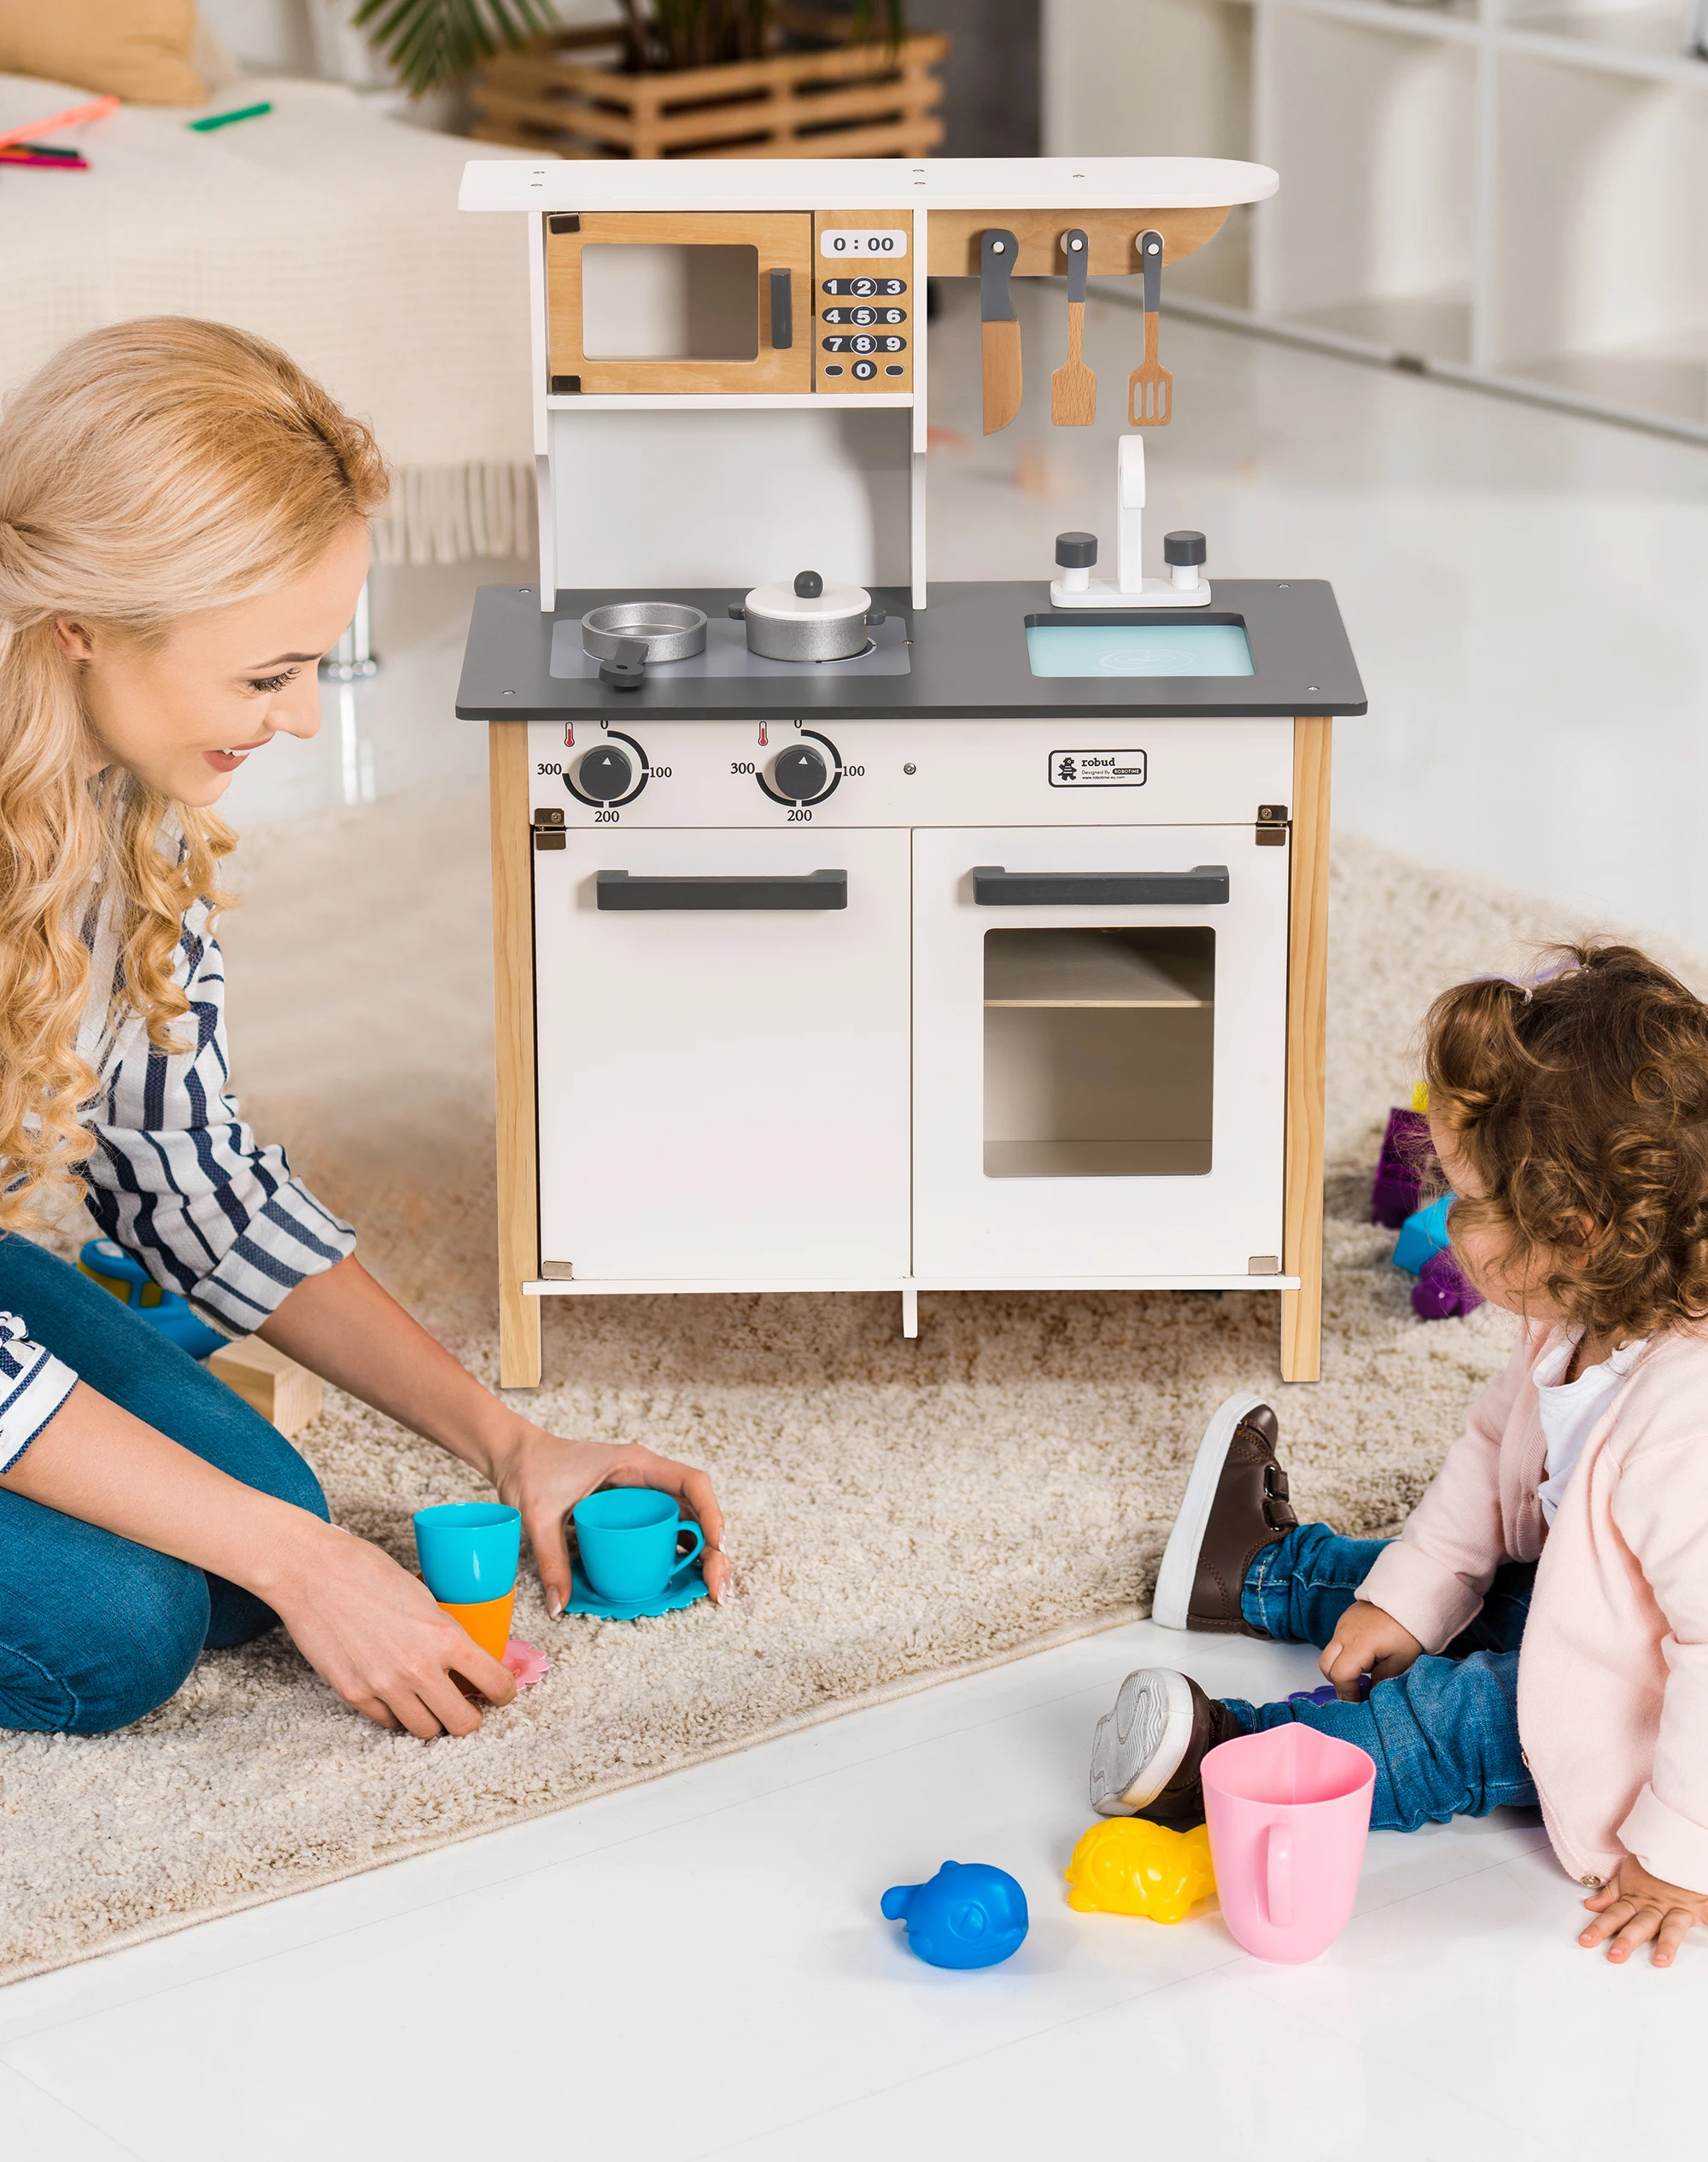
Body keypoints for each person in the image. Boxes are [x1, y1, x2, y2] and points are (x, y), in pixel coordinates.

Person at [0, 318, 729, 1740]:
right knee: (124, 1629)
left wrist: (510, 1441)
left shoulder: (132, 794)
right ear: (84, 622)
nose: (291, 720)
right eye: (263, 675)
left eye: (312, 670)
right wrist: (311, 1568)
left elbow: (189, 1182)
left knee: (262, 1506)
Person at [1089, 945, 1708, 1970]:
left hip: (1655, 1707)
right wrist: (1408, 1596)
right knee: (1434, 1577)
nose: (1448, 1223)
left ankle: (1227, 1766)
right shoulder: (1576, 1317)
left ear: (1575, 1231)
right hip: (1604, 1604)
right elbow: (1489, 1459)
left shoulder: (1686, 1426)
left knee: (1462, 1717)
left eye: (1468, 1201)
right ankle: (1257, 1573)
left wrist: (1679, 1852)